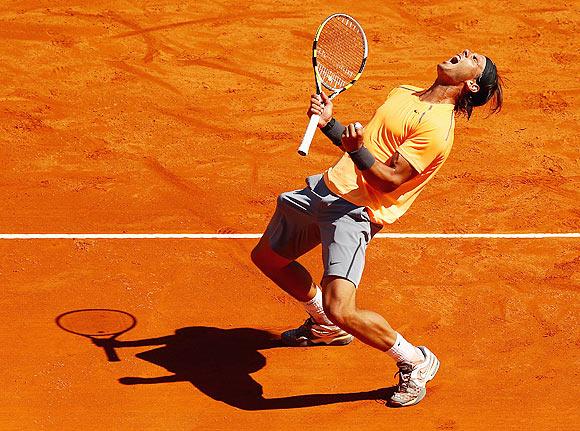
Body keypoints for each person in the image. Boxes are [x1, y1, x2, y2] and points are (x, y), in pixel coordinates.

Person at [251, 49, 503, 407]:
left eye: (473, 59)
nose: (463, 53)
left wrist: (355, 152)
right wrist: (329, 124)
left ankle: (414, 359)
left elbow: (388, 181)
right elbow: (368, 144)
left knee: (343, 307)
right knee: (268, 257)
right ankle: (323, 325)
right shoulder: (404, 92)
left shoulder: (437, 131)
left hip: (355, 211)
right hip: (327, 188)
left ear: (471, 84)